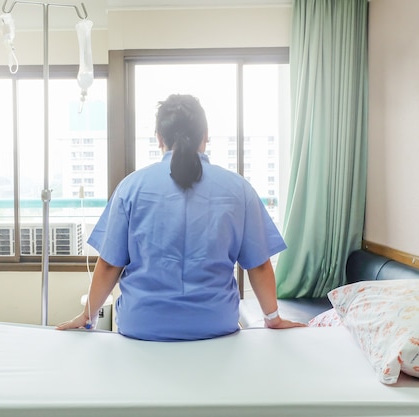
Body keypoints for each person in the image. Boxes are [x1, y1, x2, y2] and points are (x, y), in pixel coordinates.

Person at [56, 93, 305, 341]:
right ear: (205, 136)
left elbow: (110, 264)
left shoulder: (131, 188)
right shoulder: (238, 189)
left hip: (142, 327)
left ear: (159, 138)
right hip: (215, 326)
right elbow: (259, 264)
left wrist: (87, 315)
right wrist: (273, 319)